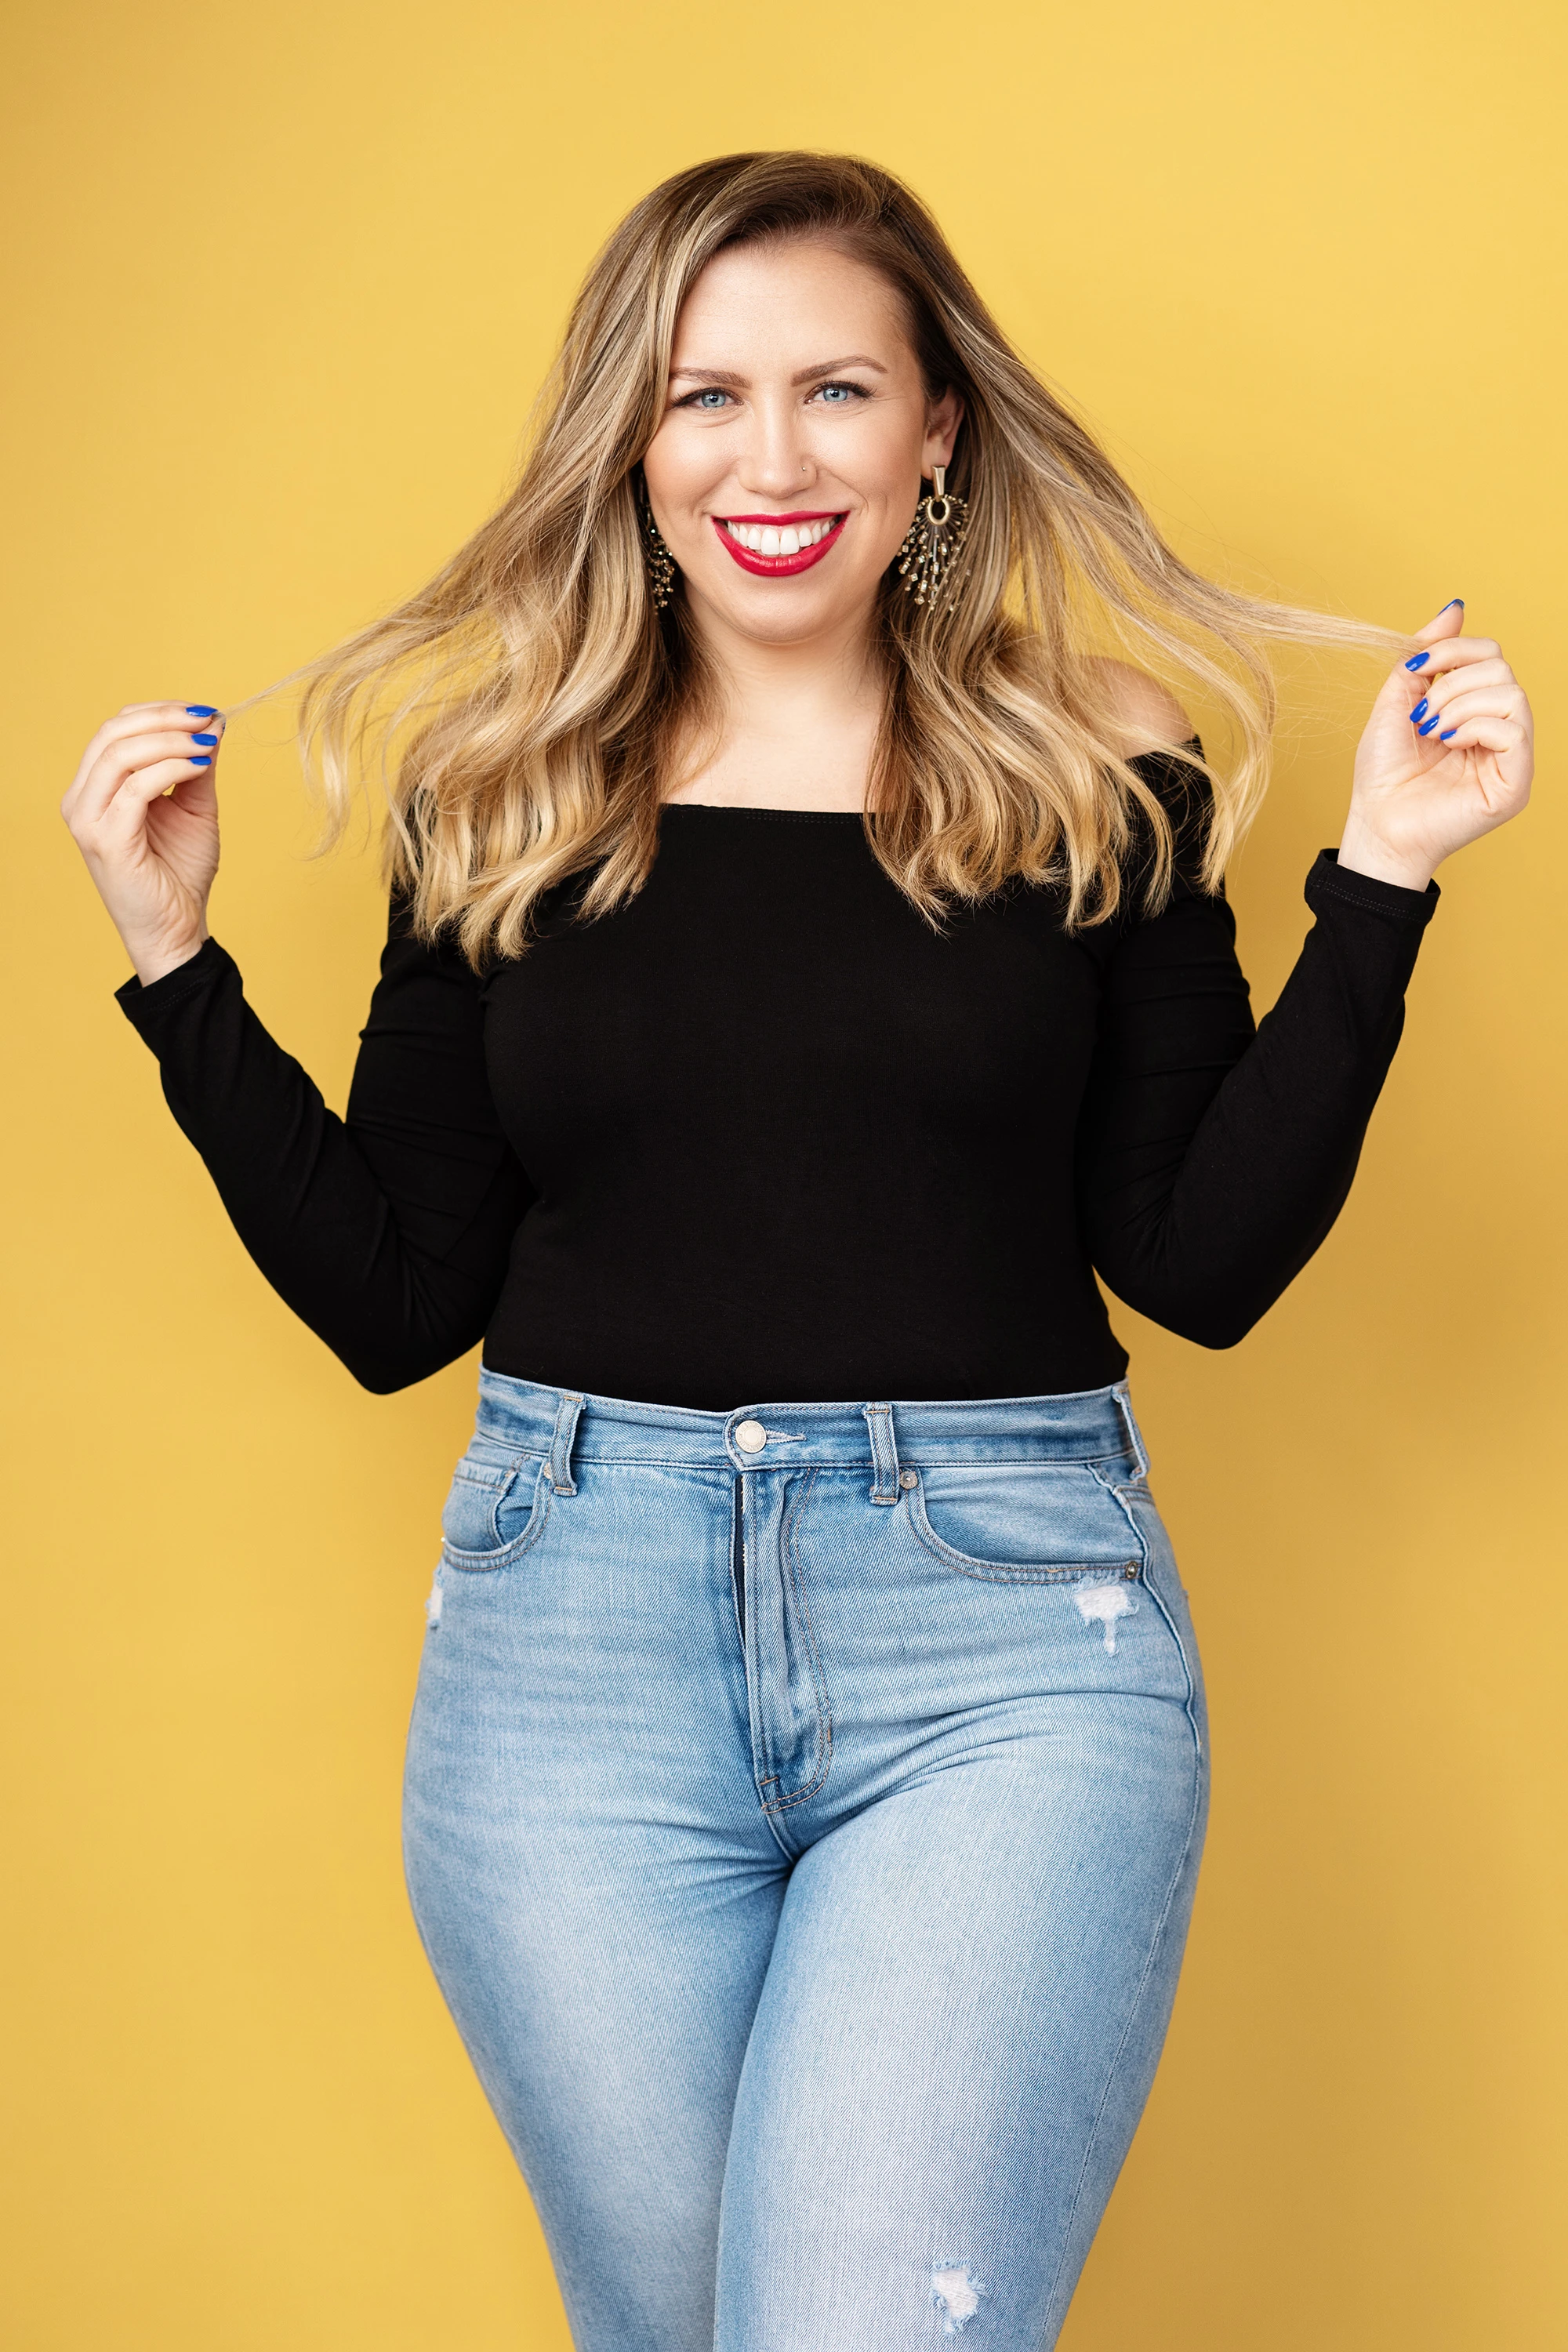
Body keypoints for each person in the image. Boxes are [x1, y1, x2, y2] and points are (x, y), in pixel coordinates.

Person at [62, 152, 1532, 2352]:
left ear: (936, 426)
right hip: (574, 1663)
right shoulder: (504, 792)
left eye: (837, 390)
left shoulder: (1088, 763)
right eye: (703, 398)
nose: (772, 460)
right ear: (627, 447)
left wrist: (1387, 880)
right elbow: (394, 1302)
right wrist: (175, 969)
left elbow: (1202, 1261)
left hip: (1008, 1651)